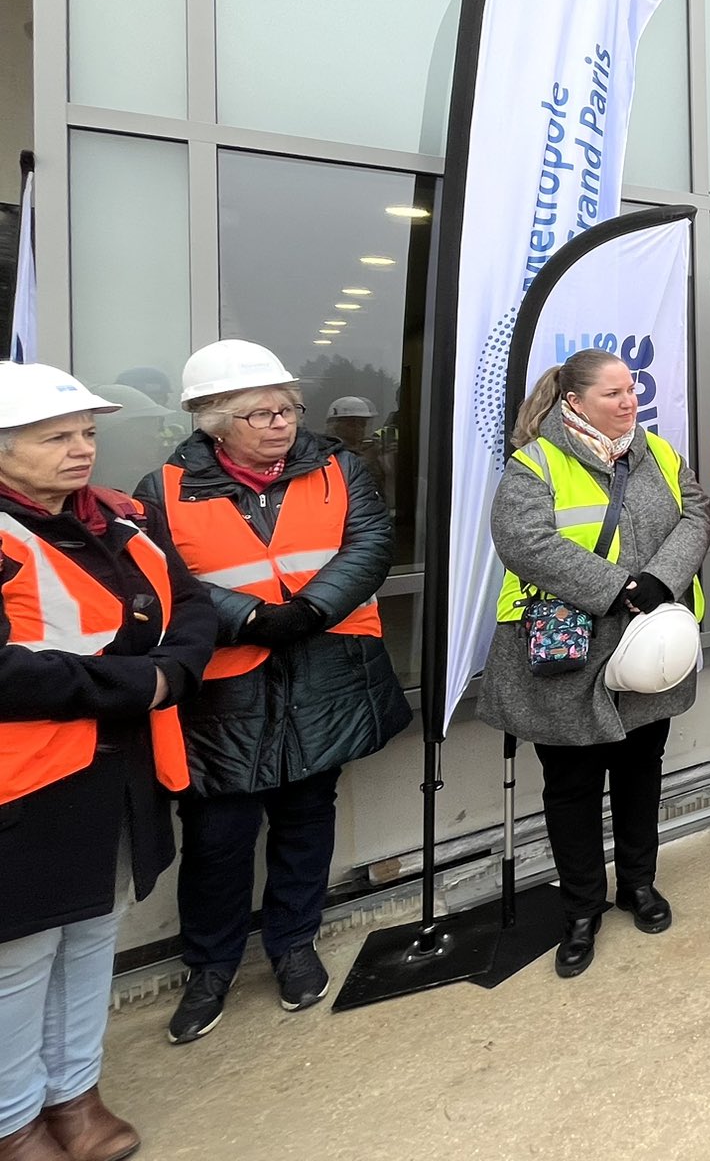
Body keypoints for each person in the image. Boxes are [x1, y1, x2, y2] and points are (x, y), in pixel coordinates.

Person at [135, 340, 409, 1042]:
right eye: (261, 413)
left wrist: (311, 610)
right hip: (225, 687)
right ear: (215, 420)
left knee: (306, 814)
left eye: (287, 409)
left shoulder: (337, 466)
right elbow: (165, 581)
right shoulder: (161, 490)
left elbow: (370, 542)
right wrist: (252, 617)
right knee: (218, 833)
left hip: (323, 668)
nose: (281, 423)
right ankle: (211, 967)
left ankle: (293, 945)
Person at [0, 364, 213, 1161]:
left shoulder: (120, 517)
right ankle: (14, 1124)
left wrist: (179, 668)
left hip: (117, 772)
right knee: (19, 961)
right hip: (24, 784)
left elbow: (186, 604)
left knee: (91, 936)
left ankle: (75, 1097)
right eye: (55, 436)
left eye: (87, 433)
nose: (80, 448)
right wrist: (143, 681)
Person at [478, 350, 710, 975]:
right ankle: (582, 908)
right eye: (613, 394)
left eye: (631, 390)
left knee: (641, 772)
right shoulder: (536, 463)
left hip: (647, 651)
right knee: (573, 787)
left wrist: (659, 582)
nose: (629, 402)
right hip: (569, 654)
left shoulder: (658, 453)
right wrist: (617, 589)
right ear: (574, 403)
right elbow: (525, 541)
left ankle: (638, 884)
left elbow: (696, 514)